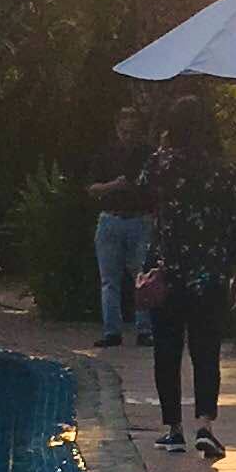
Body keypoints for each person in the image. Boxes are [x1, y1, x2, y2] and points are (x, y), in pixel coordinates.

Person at [140, 91, 236, 454]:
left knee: (166, 351)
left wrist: (161, 146)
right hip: (210, 273)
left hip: (167, 272)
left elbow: (141, 194)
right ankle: (205, 424)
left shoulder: (161, 164)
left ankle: (173, 428)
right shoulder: (224, 170)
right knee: (206, 351)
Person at [87, 102, 156, 349]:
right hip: (111, 219)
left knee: (142, 278)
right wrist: (114, 185)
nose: (128, 137)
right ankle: (111, 331)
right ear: (117, 129)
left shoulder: (149, 154)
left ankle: (144, 329)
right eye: (124, 132)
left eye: (133, 132)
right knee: (109, 280)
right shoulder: (105, 154)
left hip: (139, 219)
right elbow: (92, 189)